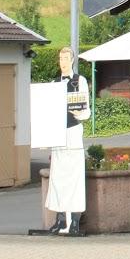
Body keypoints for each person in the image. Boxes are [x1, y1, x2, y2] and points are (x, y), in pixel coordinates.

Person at [45, 47, 90, 236]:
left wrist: (80, 114)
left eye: (65, 58)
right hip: (58, 135)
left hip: (73, 133)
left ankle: (75, 222)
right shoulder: (54, 83)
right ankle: (60, 219)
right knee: (58, 179)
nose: (62, 61)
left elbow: (86, 110)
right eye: (60, 58)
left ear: (72, 60)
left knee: (75, 179)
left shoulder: (80, 81)